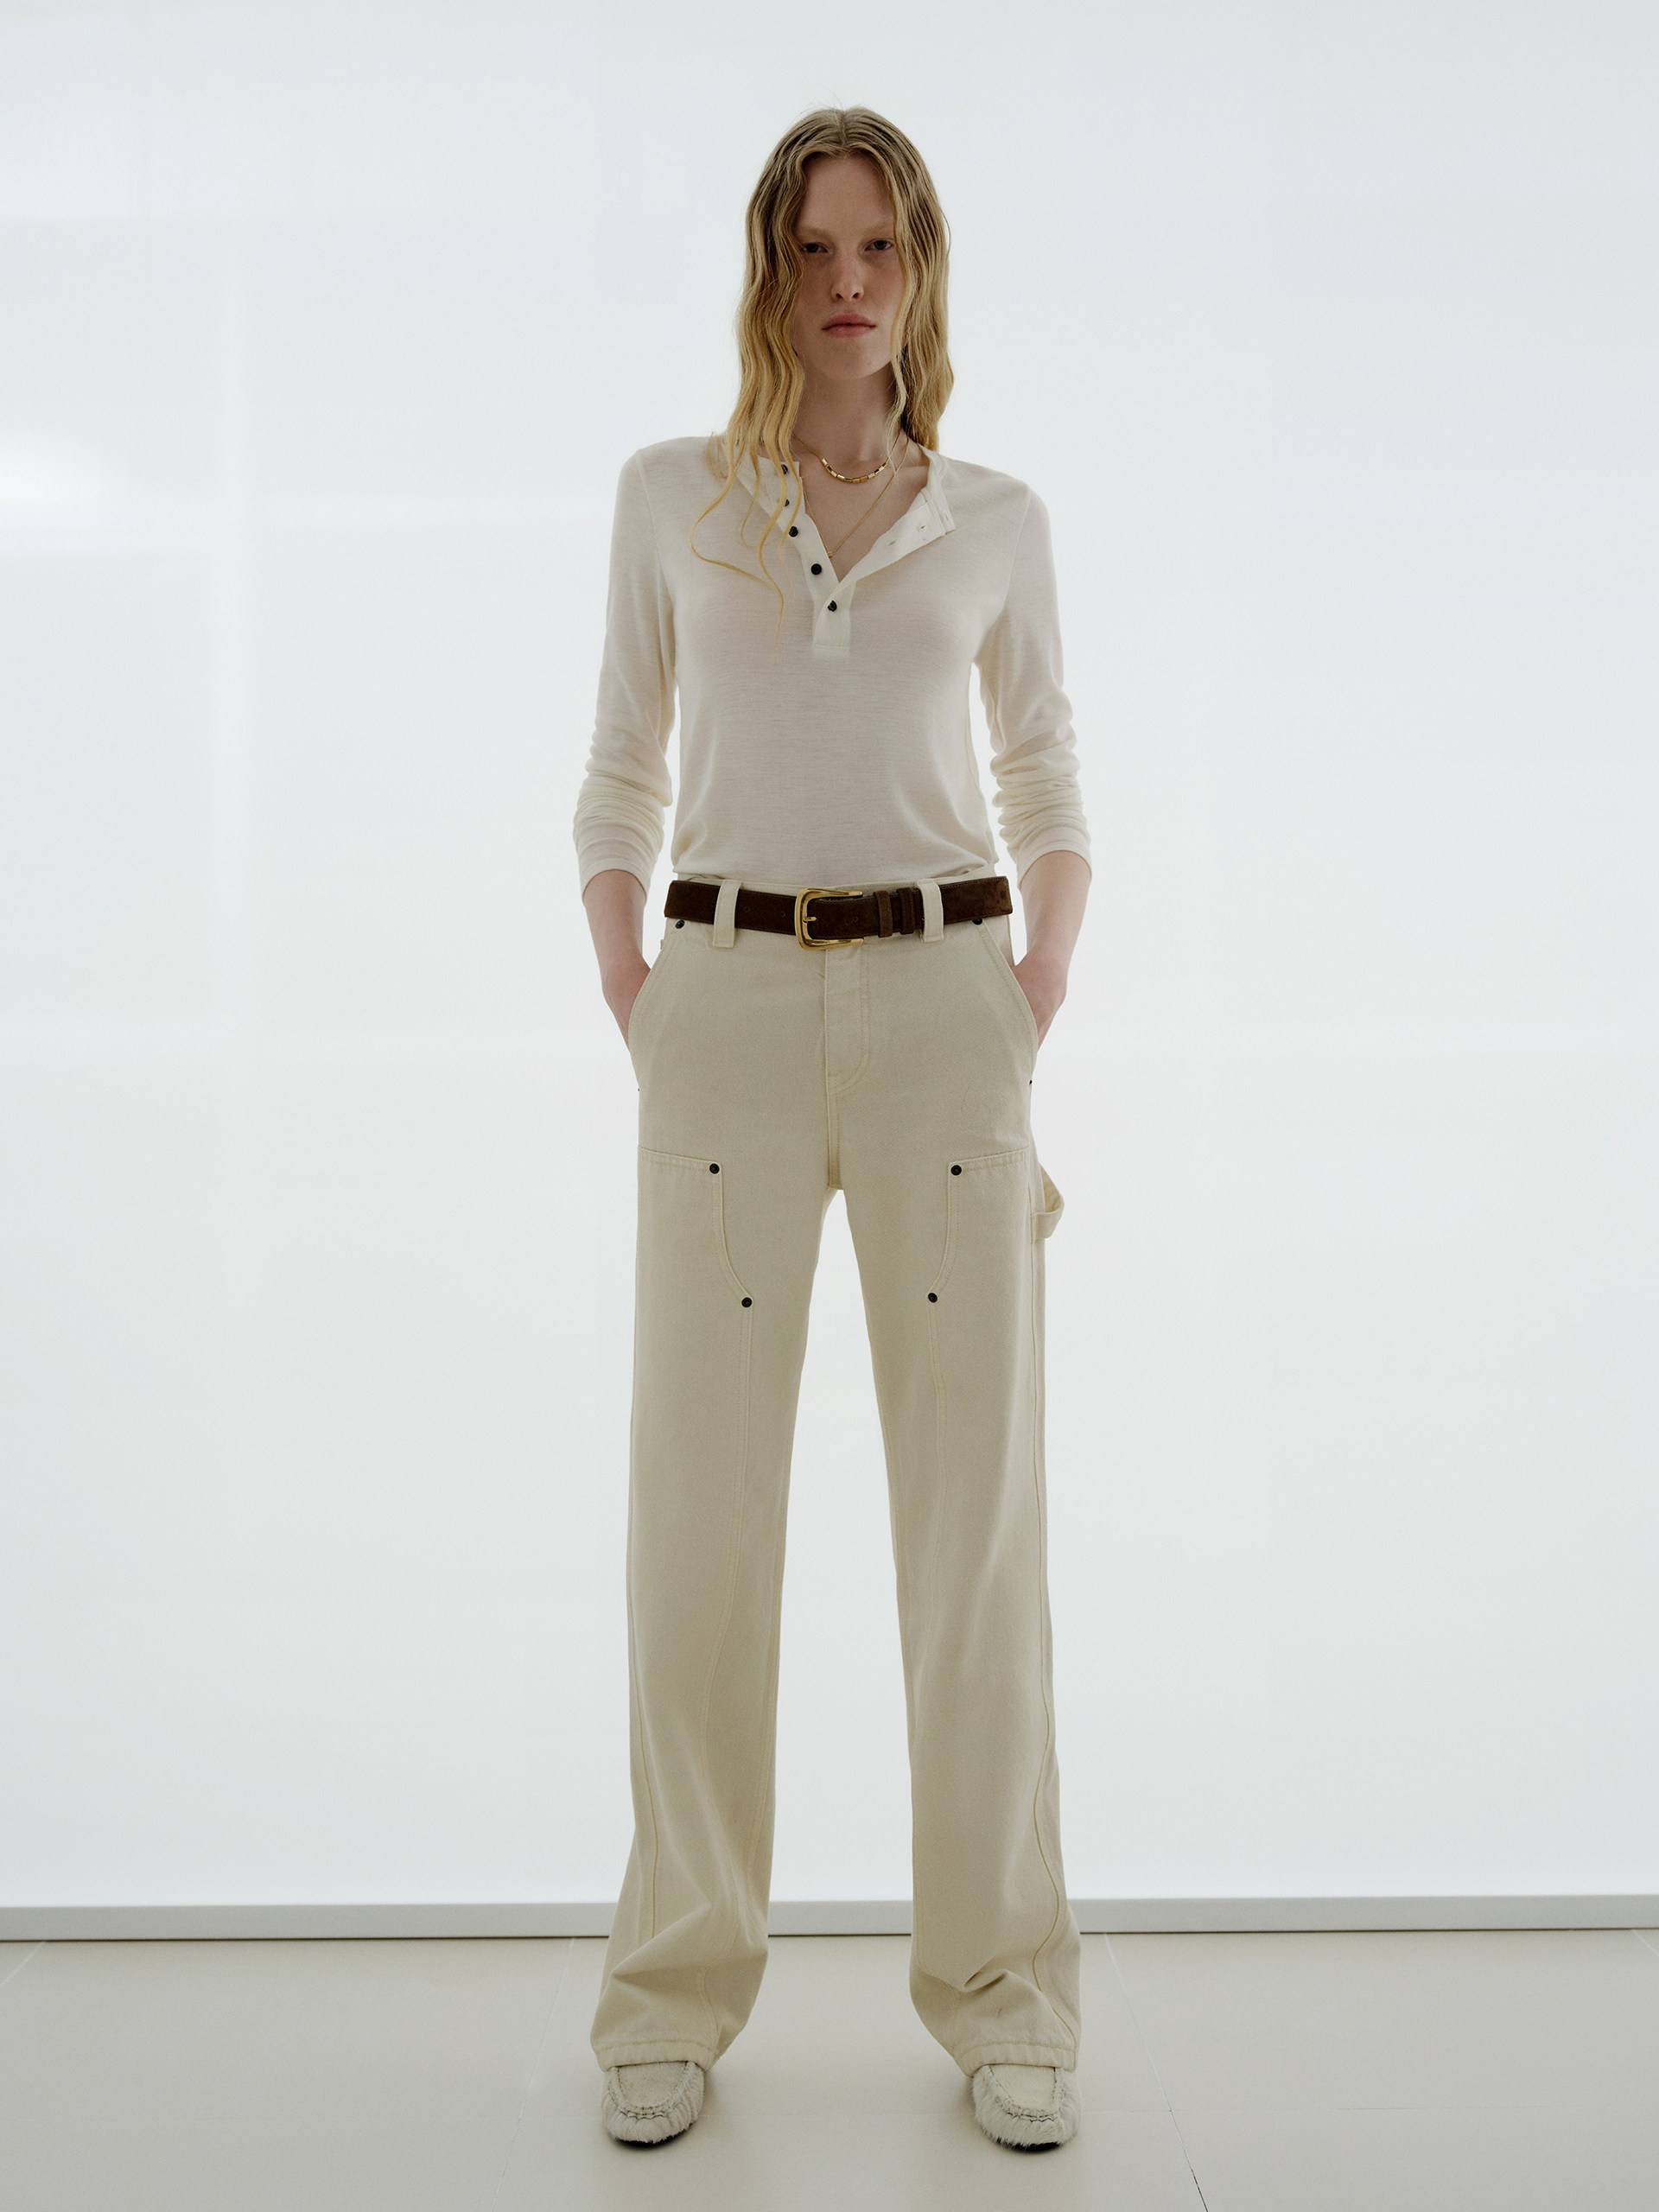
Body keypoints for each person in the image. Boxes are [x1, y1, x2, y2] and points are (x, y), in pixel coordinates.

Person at [574, 105, 1091, 2152]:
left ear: (922, 268)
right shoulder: (672, 502)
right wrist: (638, 988)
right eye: (814, 246)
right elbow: (618, 766)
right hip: (721, 1011)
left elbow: (1049, 774)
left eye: (879, 245)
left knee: (975, 1526)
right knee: (698, 1518)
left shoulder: (998, 519)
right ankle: (670, 1981)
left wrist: (1032, 989)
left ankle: (1006, 1988)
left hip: (950, 1011)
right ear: (770, 271)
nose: (848, 281)